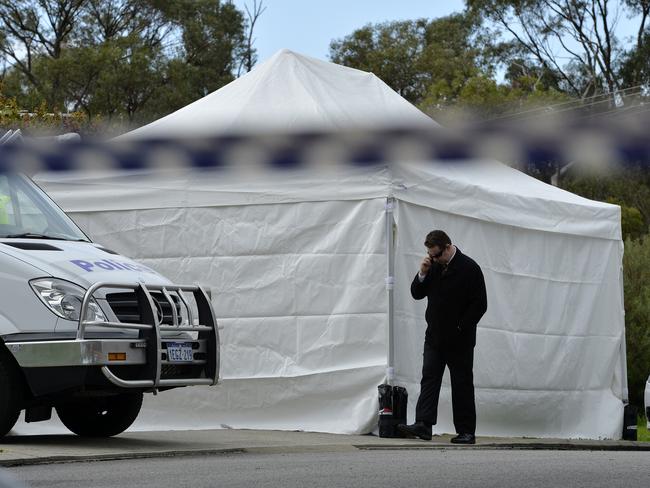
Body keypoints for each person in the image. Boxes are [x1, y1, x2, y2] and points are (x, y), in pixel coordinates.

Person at [398, 230, 487, 444]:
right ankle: (423, 424)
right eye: (430, 255)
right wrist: (422, 273)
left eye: (437, 254)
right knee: (429, 378)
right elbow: (417, 294)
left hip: (460, 339)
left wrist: (460, 327)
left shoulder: (469, 268)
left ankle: (466, 431)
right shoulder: (434, 267)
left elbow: (480, 304)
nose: (434, 258)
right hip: (435, 337)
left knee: (462, 384)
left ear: (448, 247)